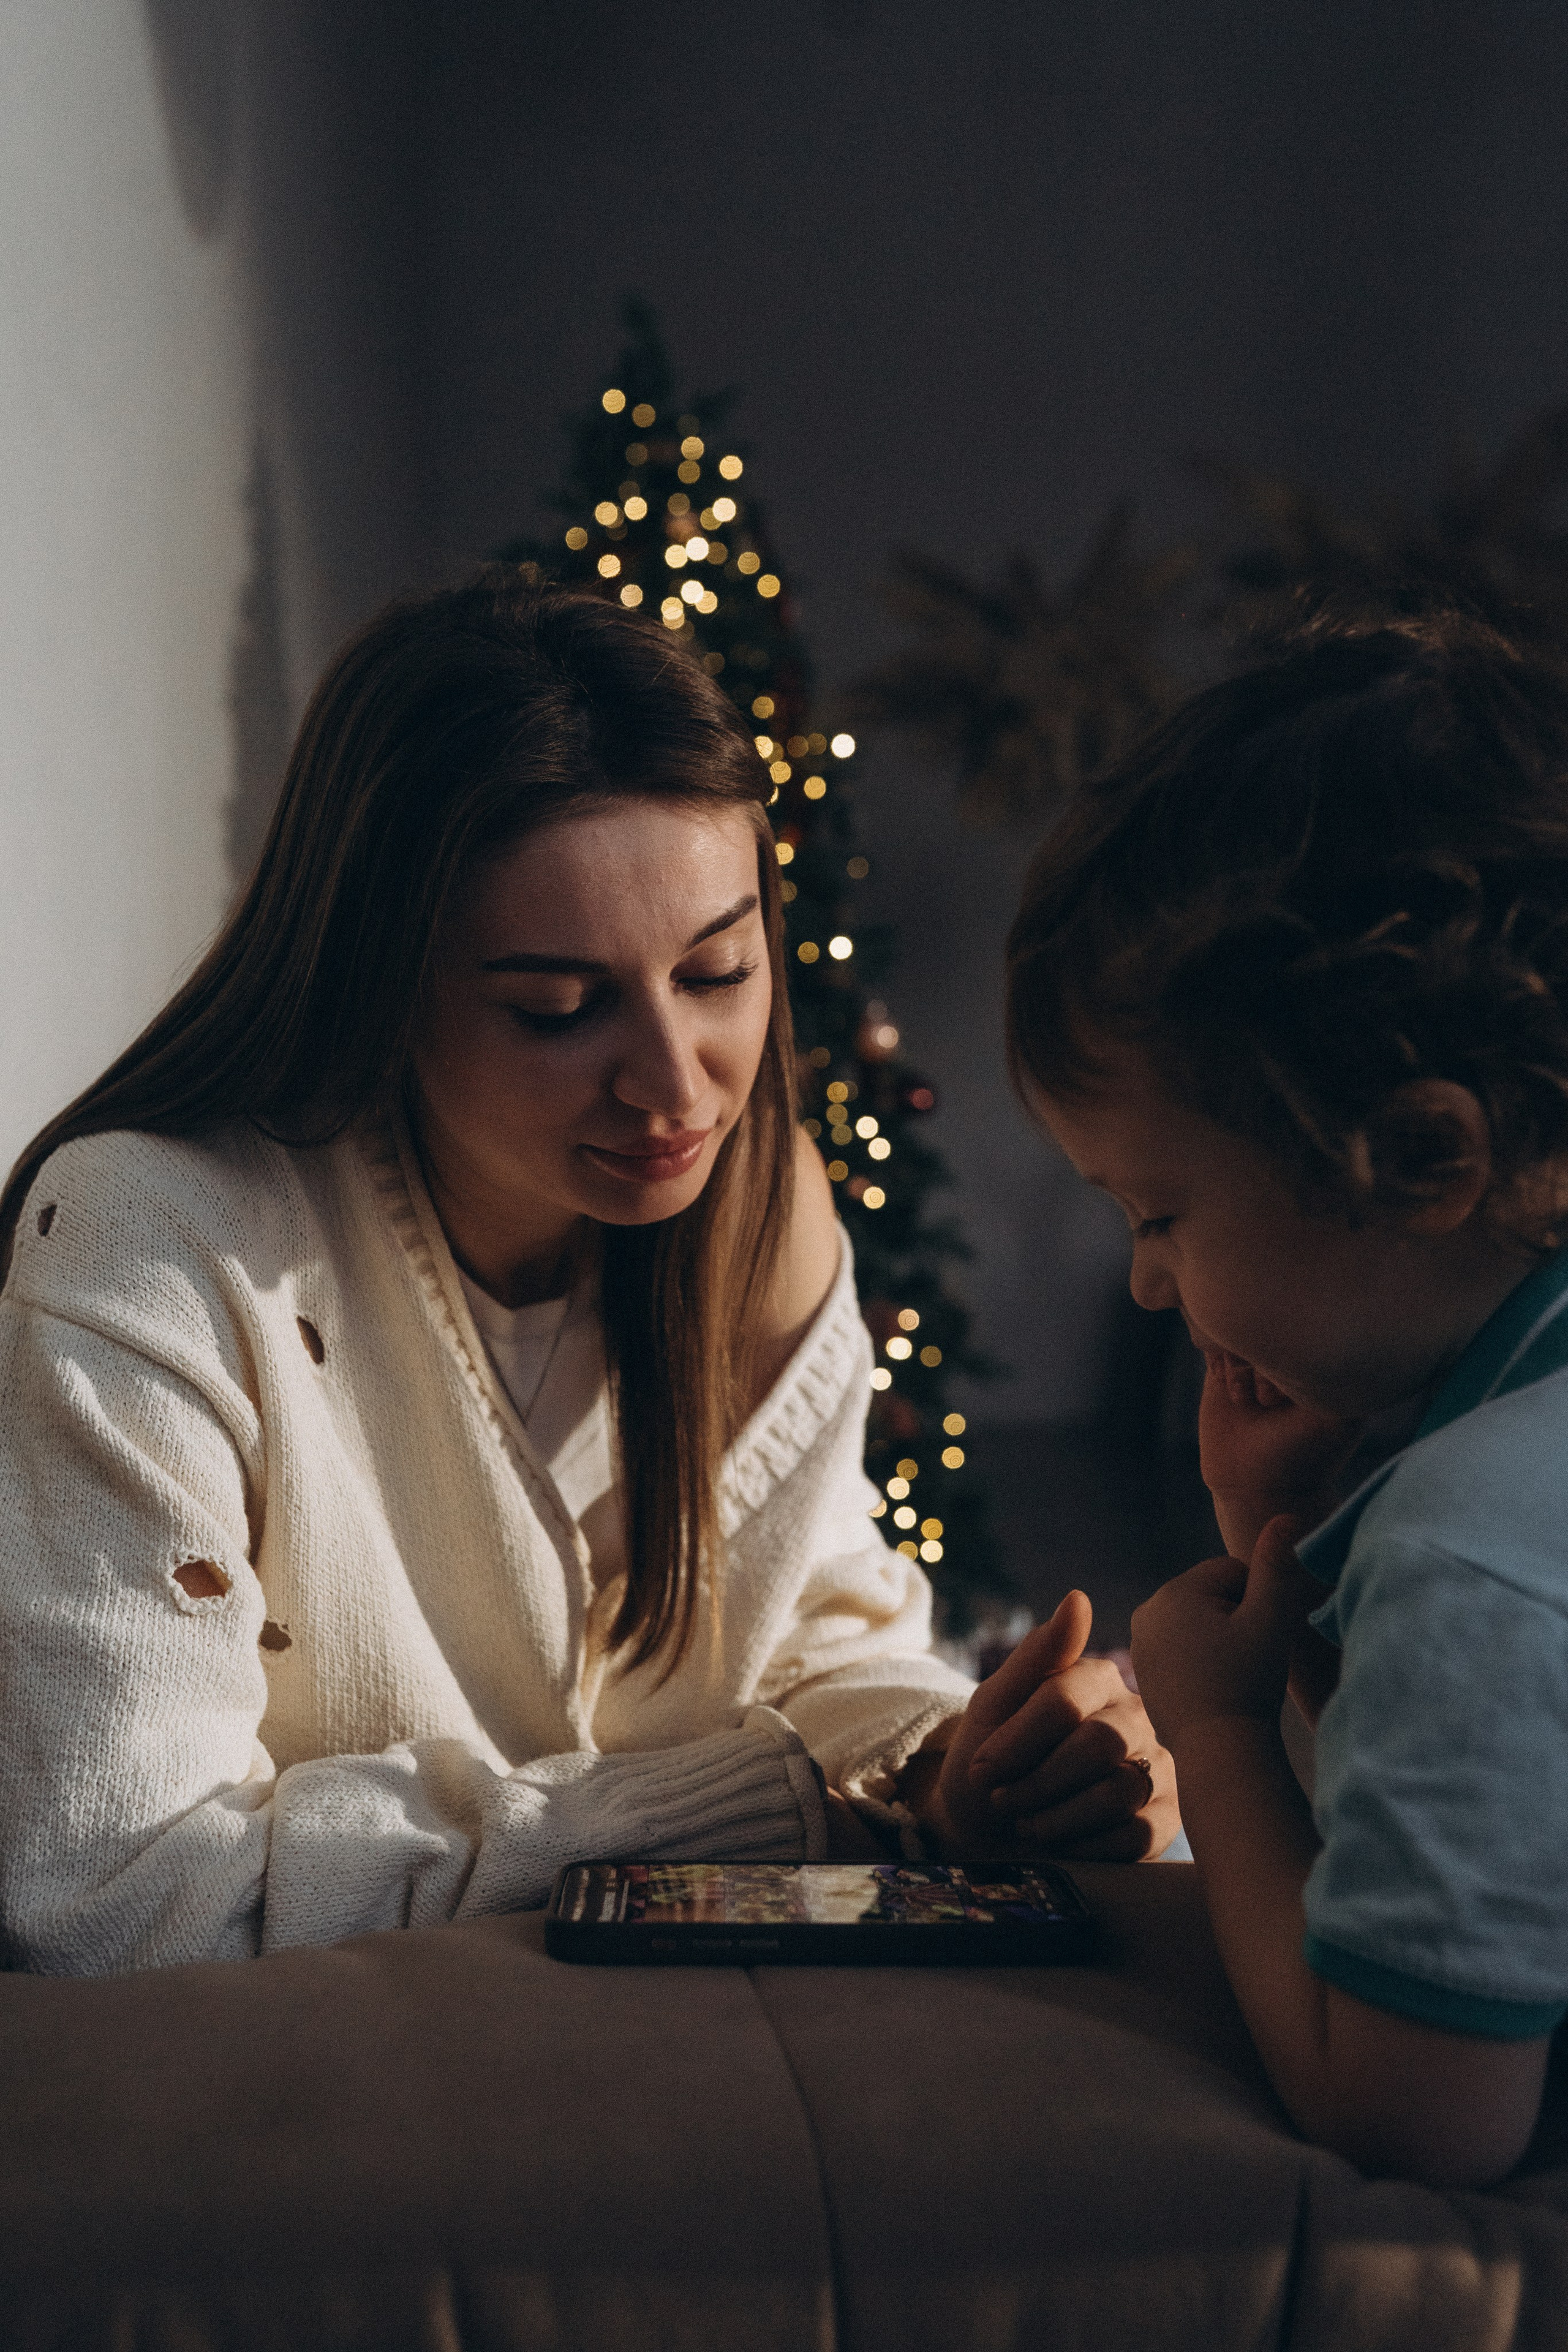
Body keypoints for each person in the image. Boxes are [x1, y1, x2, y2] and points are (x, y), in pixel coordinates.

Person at [0, 572, 1176, 1977]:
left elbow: (815, 1633)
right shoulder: (152, 1243)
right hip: (349, 2071)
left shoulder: (760, 1210)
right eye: (558, 1009)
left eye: (717, 972)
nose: (675, 1088)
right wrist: (751, 1812)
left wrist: (948, 1766)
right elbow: (117, 1901)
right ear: (379, 979)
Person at [1005, 593, 1568, 2189]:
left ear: (1421, 1161)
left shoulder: (1466, 1555)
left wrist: (1220, 1726)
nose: (1145, 1284)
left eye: (1158, 1212)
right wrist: (1289, 1541)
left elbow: (1415, 2111)